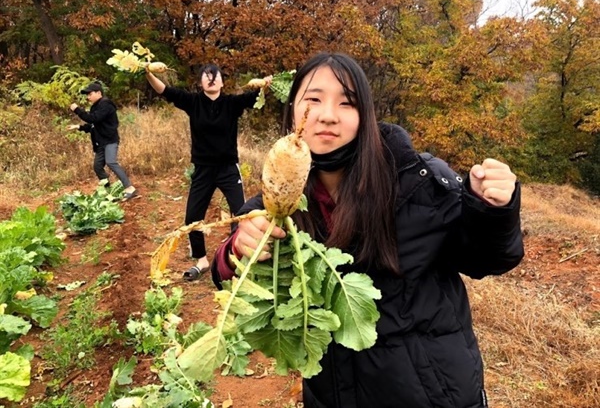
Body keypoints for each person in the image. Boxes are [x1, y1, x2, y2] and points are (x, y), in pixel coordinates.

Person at [211, 52, 524, 407]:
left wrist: (491, 208)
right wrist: (237, 249)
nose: (328, 115)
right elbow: (226, 276)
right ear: (292, 111)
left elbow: (487, 258)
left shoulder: (415, 178)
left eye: (347, 103)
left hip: (432, 395)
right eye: (313, 99)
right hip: (335, 394)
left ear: (365, 117)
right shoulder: (273, 204)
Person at [145, 64, 272, 281]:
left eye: (215, 76)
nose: (211, 79)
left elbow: (257, 96)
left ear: (222, 82)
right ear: (200, 82)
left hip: (228, 169)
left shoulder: (232, 103)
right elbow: (164, 90)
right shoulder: (193, 102)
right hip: (203, 169)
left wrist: (266, 85)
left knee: (240, 214)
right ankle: (201, 261)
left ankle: (235, 257)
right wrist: (147, 72)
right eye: (206, 76)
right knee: (193, 217)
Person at [68, 81, 137, 200]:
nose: (88, 97)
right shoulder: (96, 106)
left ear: (99, 93)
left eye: (90, 94)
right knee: (97, 166)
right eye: (87, 95)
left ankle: (129, 188)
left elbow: (92, 119)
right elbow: (94, 125)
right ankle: (107, 189)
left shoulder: (106, 105)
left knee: (111, 162)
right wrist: (78, 127)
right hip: (101, 143)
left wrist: (77, 110)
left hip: (110, 141)